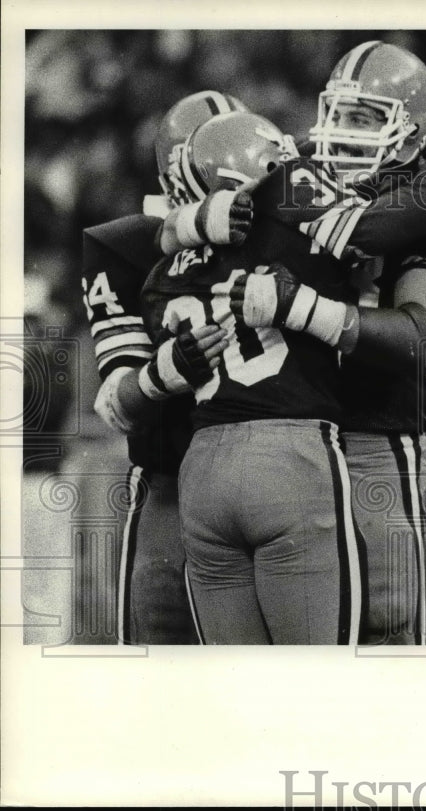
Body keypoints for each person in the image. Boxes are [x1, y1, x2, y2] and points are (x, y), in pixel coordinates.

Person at [143, 87, 426, 643]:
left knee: (238, 689)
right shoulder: (289, 199)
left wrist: (182, 227)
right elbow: (407, 215)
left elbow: (165, 258)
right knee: (319, 680)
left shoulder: (165, 268)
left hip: (200, 469)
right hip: (290, 454)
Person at [230, 40, 426, 644]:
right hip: (285, 434)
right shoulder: (301, 174)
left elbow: (419, 339)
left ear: (411, 132)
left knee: (383, 622)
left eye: (363, 117)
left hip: (372, 434)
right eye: (336, 112)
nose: (337, 132)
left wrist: (303, 309)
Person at [82, 90, 254, 644]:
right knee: (161, 650)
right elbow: (117, 403)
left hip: (271, 485)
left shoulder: (289, 234)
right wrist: (165, 373)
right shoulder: (124, 246)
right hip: (171, 486)